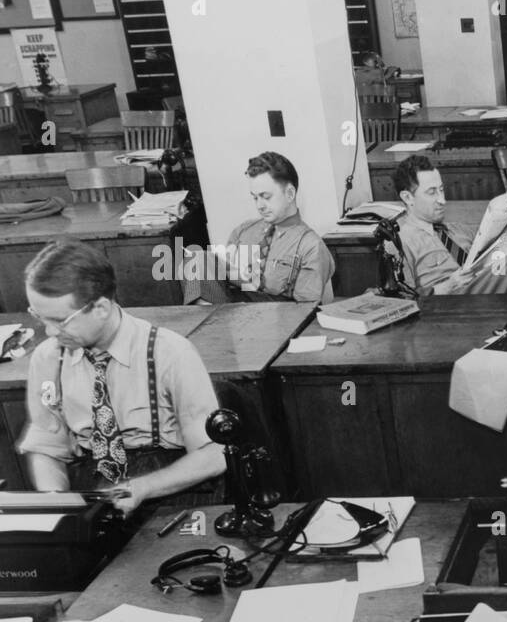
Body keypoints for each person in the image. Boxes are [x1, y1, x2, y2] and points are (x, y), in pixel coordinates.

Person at [20, 238, 225, 515]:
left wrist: (141, 488)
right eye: (39, 317)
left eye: (60, 321)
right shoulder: (48, 358)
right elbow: (46, 448)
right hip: (97, 488)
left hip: (171, 492)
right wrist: (57, 502)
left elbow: (213, 456)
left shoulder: (170, 353)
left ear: (101, 308)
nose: (50, 332)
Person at [385, 154, 507, 295]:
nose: (442, 200)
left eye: (441, 190)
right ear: (407, 197)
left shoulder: (456, 229)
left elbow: (497, 268)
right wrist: (449, 285)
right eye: (432, 192)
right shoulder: (399, 241)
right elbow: (404, 296)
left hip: (483, 289)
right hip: (450, 301)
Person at [185, 151, 334, 305]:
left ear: (290, 194)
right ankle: (208, 321)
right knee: (198, 258)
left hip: (278, 320)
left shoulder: (311, 246)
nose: (259, 206)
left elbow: (304, 310)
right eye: (255, 197)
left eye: (266, 197)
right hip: (232, 312)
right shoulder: (244, 231)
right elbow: (223, 282)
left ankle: (210, 323)